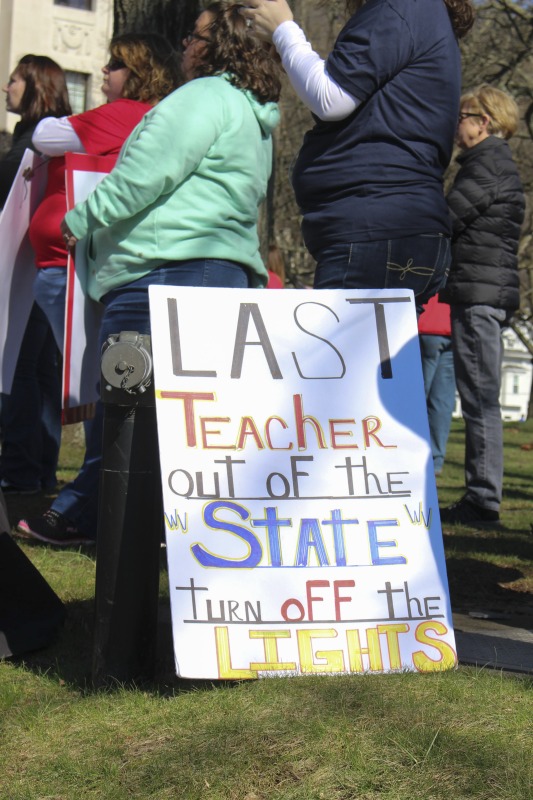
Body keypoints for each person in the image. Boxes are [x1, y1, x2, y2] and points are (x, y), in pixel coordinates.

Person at [16, 1, 281, 546]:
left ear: (215, 47)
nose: (184, 44)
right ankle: (169, 534)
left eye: (194, 36)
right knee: (187, 423)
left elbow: (141, 177)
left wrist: (78, 221)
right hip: (215, 274)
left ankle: (87, 520)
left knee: (127, 416)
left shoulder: (202, 98)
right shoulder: (253, 112)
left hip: (161, 278)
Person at [242, 0, 474, 305]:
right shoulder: (419, 12)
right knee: (378, 354)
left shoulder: (400, 7)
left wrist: (284, 29)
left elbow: (331, 97)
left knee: (347, 355)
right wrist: (288, 53)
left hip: (376, 230)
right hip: (394, 229)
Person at [28, 33, 181, 354]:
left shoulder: (124, 112)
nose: (103, 70)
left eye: (115, 64)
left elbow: (44, 135)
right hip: (79, 264)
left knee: (82, 383)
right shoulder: (153, 117)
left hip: (72, 268)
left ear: (138, 73)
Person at [439, 86, 525, 528]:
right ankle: (482, 496)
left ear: (483, 122)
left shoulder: (486, 165)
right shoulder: (496, 165)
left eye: (461, 117)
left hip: (478, 295)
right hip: (486, 291)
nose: (455, 126)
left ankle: (483, 500)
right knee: (480, 396)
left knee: (479, 400)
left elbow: (448, 217)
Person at [0, 55, 71, 494]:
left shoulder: (40, 142)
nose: (7, 86)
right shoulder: (42, 141)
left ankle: (22, 473)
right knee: (40, 370)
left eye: (14, 80)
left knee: (22, 370)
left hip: (29, 269)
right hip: (43, 265)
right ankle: (38, 470)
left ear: (36, 86)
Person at [418, 295, 456, 476]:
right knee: (442, 401)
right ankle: (435, 460)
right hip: (452, 323)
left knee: (416, 394)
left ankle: (407, 452)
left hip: (426, 322)